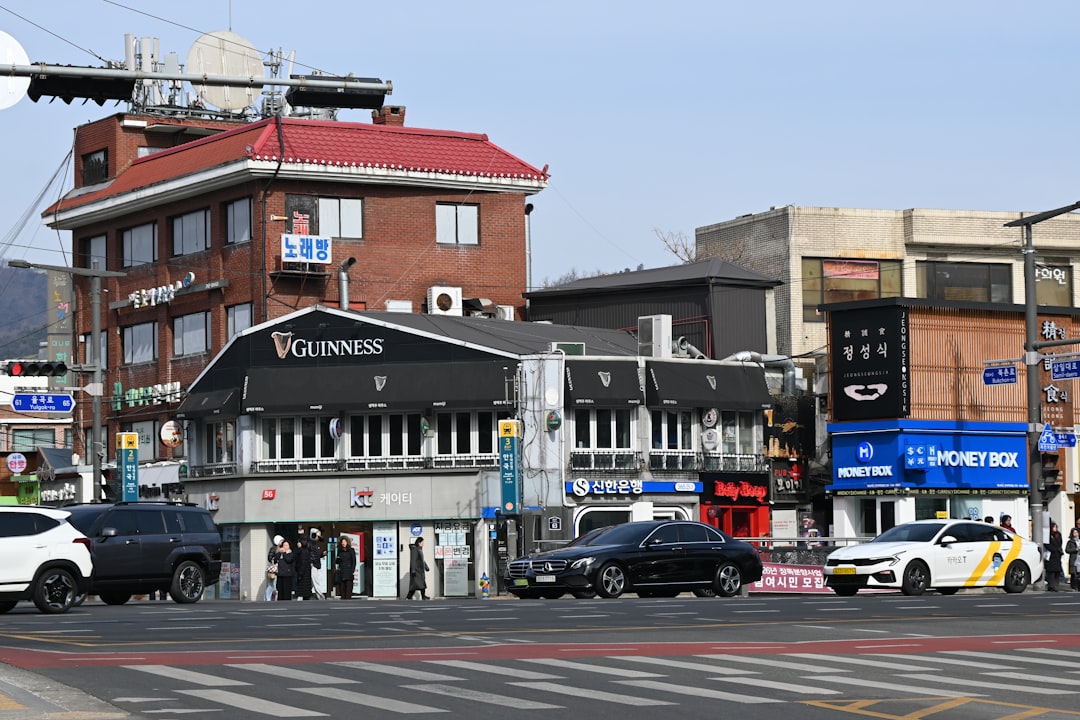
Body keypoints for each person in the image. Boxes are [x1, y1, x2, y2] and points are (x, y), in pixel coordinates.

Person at [335, 536, 357, 600]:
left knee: (348, 586)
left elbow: (354, 561)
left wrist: (352, 570)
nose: (343, 543)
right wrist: (337, 559)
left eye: (344, 542)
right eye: (342, 542)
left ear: (347, 542)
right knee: (342, 587)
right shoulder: (340, 551)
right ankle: (343, 598)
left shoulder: (351, 550)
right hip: (342, 570)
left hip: (349, 570)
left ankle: (348, 598)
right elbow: (337, 562)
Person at [1045, 521, 1065, 592]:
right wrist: (1053, 549)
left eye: (1056, 527)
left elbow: (1060, 542)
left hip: (1057, 555)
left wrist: (1058, 550)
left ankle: (1055, 585)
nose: (1055, 528)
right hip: (1051, 555)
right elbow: (1047, 544)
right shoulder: (1048, 535)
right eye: (1054, 527)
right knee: (1051, 572)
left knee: (1057, 571)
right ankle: (1051, 585)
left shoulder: (1058, 534)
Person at [264, 534, 283, 602]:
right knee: (271, 584)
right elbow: (270, 558)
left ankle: (267, 597)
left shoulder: (277, 548)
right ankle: (267, 598)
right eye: (281, 541)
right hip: (274, 569)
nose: (282, 542)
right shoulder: (274, 548)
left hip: (277, 568)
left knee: (272, 584)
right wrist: (274, 559)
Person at [309, 528, 326, 600]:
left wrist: (322, 554)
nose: (318, 538)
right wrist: (311, 562)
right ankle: (320, 596)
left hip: (316, 564)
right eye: (317, 536)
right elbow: (310, 554)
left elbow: (317, 554)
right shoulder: (310, 544)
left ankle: (319, 596)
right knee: (315, 581)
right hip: (313, 565)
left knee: (315, 581)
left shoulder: (316, 544)